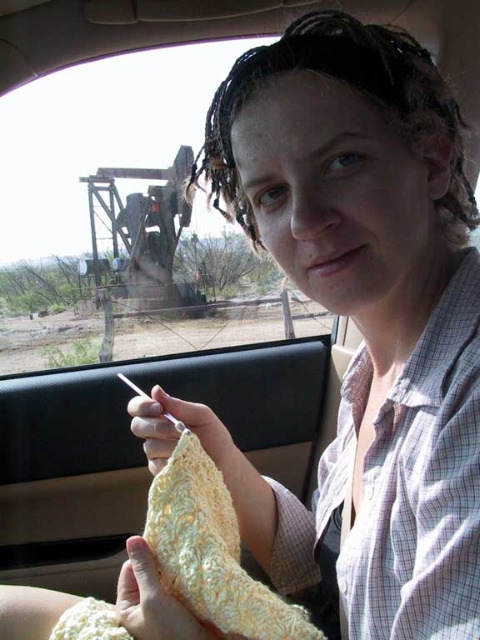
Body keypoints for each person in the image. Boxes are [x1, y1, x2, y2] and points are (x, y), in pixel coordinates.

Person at [1, 8, 480, 640]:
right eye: (272, 194)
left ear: (433, 161)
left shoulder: (465, 395)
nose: (307, 220)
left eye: (343, 162)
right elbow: (327, 565)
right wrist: (221, 459)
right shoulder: (377, 363)